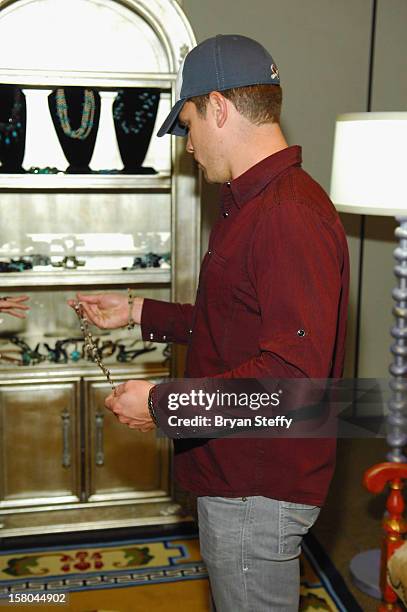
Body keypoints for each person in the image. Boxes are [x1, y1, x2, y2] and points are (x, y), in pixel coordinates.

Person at [70, 34, 349, 611]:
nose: (189, 145)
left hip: (256, 485)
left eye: (189, 122)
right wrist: (140, 312)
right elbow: (238, 324)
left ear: (219, 107)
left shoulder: (286, 215)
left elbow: (287, 382)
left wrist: (161, 404)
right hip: (240, 473)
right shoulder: (258, 205)